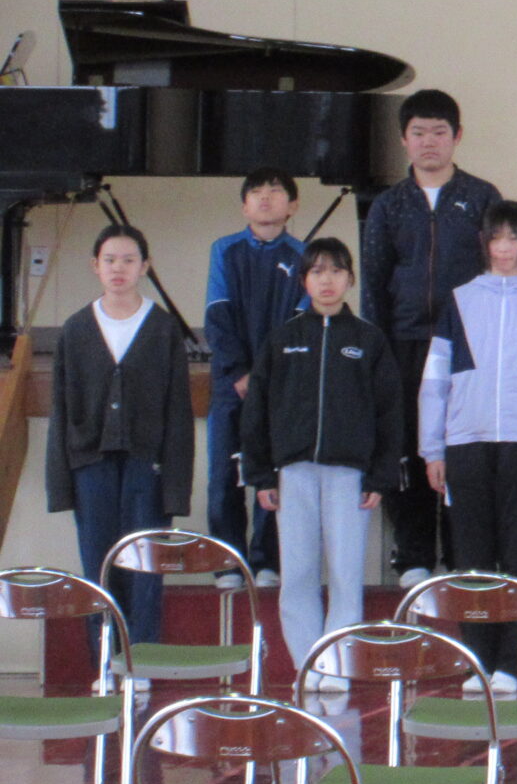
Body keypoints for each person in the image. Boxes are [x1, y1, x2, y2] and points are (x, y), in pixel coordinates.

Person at [418, 202, 517, 693]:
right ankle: (476, 661)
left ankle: (512, 663)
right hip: (465, 443)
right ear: (484, 243)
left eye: (514, 238)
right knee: (470, 558)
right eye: (496, 238)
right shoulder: (459, 300)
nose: (505, 247)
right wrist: (433, 450)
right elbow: (434, 382)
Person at [239, 237, 401, 679]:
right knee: (297, 575)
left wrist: (380, 477)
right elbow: (257, 412)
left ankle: (335, 668)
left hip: (349, 475)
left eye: (335, 271)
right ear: (304, 280)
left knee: (346, 575)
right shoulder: (283, 339)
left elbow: (389, 413)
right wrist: (260, 475)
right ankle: (308, 668)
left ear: (350, 279)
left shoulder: (368, 340)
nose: (326, 280)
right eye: (317, 271)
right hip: (293, 474)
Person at [360, 88, 501, 585]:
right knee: (408, 446)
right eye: (418, 132)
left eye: (439, 132)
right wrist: (377, 353)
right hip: (403, 343)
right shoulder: (388, 205)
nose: (429, 142)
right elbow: (374, 282)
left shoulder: (483, 198)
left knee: (462, 448)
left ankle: (464, 552)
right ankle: (414, 554)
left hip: (467, 346)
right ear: (404, 139)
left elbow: (499, 273)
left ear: (457, 136)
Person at [47, 223, 193, 654]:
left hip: (148, 462)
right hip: (90, 463)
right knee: (98, 562)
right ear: (95, 265)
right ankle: (105, 660)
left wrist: (176, 486)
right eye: (109, 260)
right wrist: (60, 483)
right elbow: (61, 408)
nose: (118, 268)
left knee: (145, 560)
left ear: (144, 266)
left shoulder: (163, 328)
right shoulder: (76, 328)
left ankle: (141, 657)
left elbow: (178, 412)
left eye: (129, 260)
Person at [203, 168, 305, 590]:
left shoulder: (303, 255)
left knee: (273, 473)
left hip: (280, 385)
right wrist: (239, 372)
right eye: (257, 192)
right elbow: (216, 314)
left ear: (292, 205)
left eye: (276, 191)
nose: (265, 198)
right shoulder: (224, 250)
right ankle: (228, 562)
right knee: (223, 475)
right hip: (230, 384)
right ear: (244, 206)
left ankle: (267, 561)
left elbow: (300, 322)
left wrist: (266, 378)